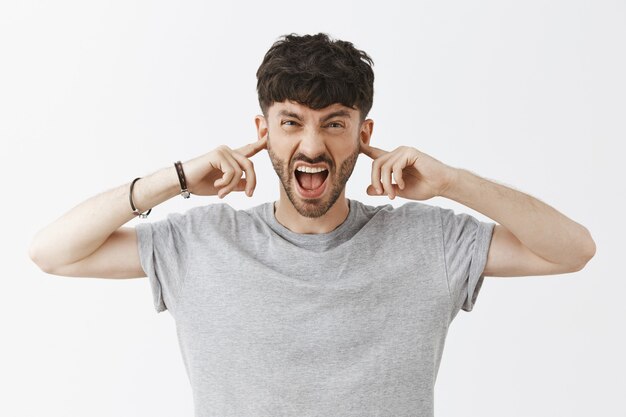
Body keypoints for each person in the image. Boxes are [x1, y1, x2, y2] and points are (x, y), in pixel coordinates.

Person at [29, 33, 596, 417]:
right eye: (291, 122)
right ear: (263, 129)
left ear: (363, 134)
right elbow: (53, 253)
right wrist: (174, 179)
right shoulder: (201, 241)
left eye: (334, 123)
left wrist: (452, 182)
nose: (311, 145)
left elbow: (573, 250)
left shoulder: (431, 241)